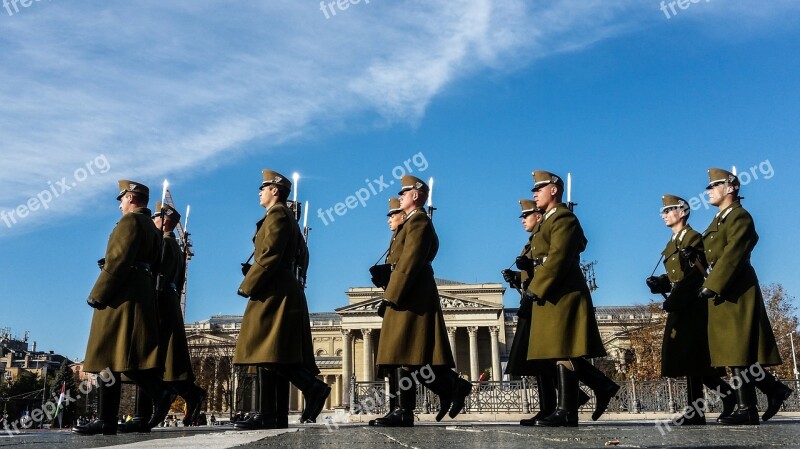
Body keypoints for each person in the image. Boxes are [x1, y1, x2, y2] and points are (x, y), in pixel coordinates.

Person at [686, 168, 790, 425]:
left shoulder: (740, 217)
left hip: (736, 288)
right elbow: (714, 258)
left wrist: (714, 283)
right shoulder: (718, 222)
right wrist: (696, 261)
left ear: (731, 187)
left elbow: (734, 253)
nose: (708, 190)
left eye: (714, 185)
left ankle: (748, 408)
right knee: (731, 349)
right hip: (721, 289)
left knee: (738, 348)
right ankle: (774, 390)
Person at [73, 181, 174, 436]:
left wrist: (98, 293)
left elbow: (118, 260)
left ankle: (147, 397)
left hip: (121, 295)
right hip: (140, 292)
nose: (120, 205)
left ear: (130, 197)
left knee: (108, 355)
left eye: (121, 200)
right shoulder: (152, 229)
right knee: (121, 359)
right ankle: (108, 418)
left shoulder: (129, 223)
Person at [373, 175, 472, 427]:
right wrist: (386, 276)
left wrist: (391, 295)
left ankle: (406, 410)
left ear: (415, 195)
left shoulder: (418, 222)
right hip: (406, 291)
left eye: (404, 193)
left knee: (407, 353)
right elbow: (402, 262)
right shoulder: (409, 224)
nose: (401, 196)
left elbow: (411, 261)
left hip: (410, 295)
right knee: (402, 353)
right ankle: (448, 389)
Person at [233, 169, 329, 428]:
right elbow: (299, 256)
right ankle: (274, 414)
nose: (259, 191)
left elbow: (270, 253)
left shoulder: (277, 214)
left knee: (264, 351)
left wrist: (248, 283)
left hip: (272, 290)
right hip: (279, 286)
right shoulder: (286, 217)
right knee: (272, 353)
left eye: (263, 187)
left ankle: (310, 390)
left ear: (275, 190)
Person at [523, 171, 617, 427]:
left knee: (563, 349)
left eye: (539, 188)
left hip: (562, 291)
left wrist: (537, 285)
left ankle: (567, 409)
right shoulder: (548, 221)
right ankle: (597, 389)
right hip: (552, 291)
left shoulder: (564, 218)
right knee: (558, 351)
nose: (534, 193)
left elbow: (559, 256)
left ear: (554, 189)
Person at [645, 194, 735, 425]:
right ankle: (723, 398)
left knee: (693, 358)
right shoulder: (672, 242)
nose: (664, 214)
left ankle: (700, 409)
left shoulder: (693, 237)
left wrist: (673, 299)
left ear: (683, 212)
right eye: (662, 211)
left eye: (669, 210)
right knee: (691, 361)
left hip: (693, 305)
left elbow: (697, 274)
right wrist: (661, 283)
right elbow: (678, 275)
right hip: (682, 303)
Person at [368, 198, 404, 426]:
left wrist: (390, 295)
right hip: (395, 298)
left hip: (402, 299)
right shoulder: (396, 237)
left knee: (402, 356)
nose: (389, 219)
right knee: (394, 357)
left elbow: (409, 266)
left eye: (393, 214)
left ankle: (452, 386)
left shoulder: (416, 225)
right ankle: (397, 408)